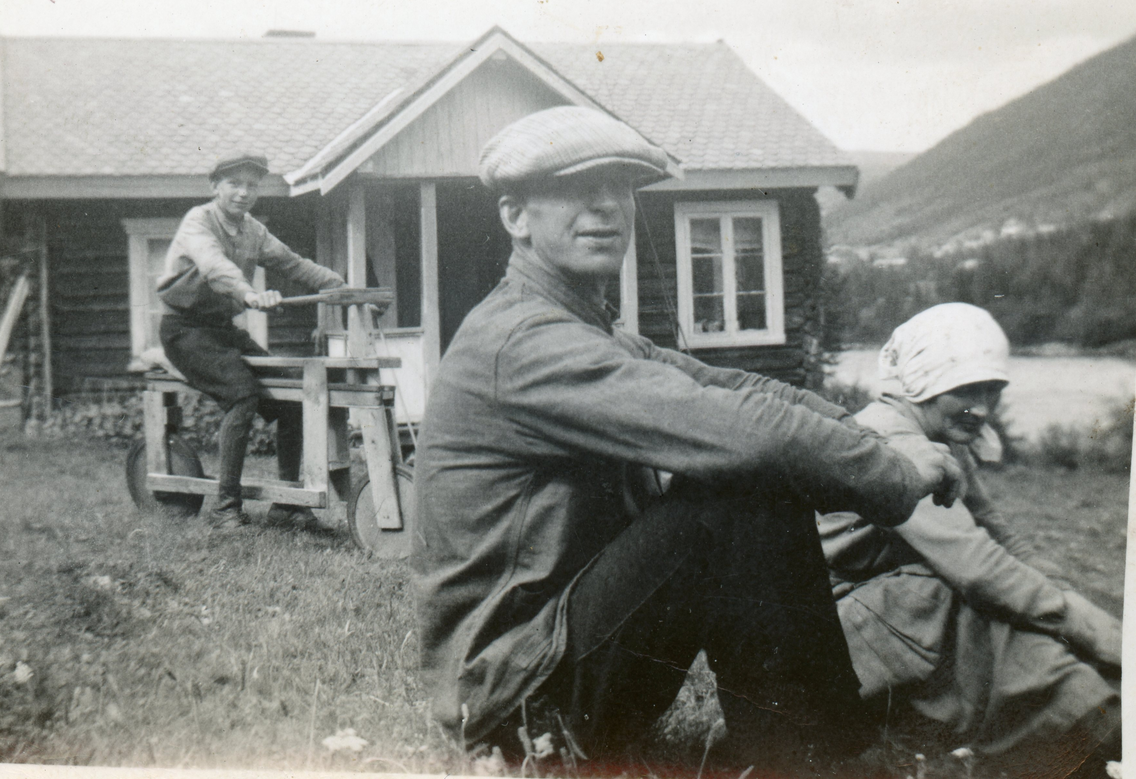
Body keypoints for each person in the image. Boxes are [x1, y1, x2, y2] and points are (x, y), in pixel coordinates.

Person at [411, 106, 967, 774]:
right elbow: (745, 434)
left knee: (747, 474)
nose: (606, 207)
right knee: (737, 493)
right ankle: (812, 756)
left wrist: (862, 430)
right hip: (517, 702)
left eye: (620, 187)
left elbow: (741, 391)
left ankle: (812, 749)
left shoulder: (587, 330)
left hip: (560, 663)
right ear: (515, 217)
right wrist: (895, 472)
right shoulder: (521, 344)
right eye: (575, 188)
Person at [818, 303, 1121, 776]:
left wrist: (1071, 602)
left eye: (992, 390)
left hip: (887, 628)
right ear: (923, 381)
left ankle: (1087, 711)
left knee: (1012, 603)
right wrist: (1095, 632)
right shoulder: (890, 443)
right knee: (953, 592)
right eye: (965, 390)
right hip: (826, 643)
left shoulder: (938, 439)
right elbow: (977, 565)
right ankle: (1088, 716)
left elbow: (998, 536)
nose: (982, 408)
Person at [157, 152, 345, 530]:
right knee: (242, 394)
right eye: (234, 184)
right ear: (215, 187)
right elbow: (215, 267)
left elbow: (292, 263)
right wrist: (249, 294)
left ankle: (286, 505)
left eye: (252, 185)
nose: (244, 193)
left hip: (222, 331)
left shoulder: (253, 230)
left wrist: (339, 283)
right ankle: (226, 508)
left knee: (291, 402)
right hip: (185, 331)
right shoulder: (199, 221)